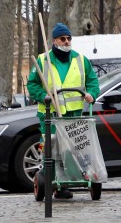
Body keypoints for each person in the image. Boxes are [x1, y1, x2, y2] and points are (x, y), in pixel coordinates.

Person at [26, 22, 100, 200]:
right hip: (50, 115)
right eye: (63, 39)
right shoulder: (44, 60)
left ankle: (70, 180)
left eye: (68, 38)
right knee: (53, 149)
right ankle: (56, 184)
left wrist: (91, 94)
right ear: (54, 41)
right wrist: (44, 95)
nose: (67, 42)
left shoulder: (81, 60)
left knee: (72, 149)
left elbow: (92, 81)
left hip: (73, 115)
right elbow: (32, 84)